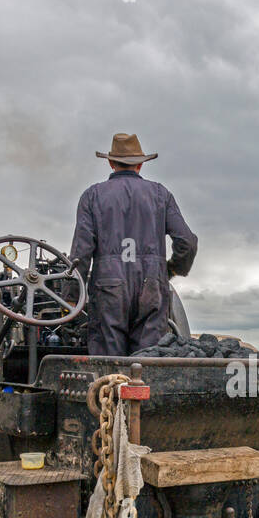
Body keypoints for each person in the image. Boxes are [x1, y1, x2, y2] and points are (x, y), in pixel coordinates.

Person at [69, 133, 198, 357]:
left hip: (108, 288)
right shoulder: (161, 194)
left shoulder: (92, 196)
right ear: (140, 164)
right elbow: (187, 241)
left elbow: (81, 253)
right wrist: (172, 270)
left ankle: (110, 391)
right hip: (151, 285)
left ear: (110, 162)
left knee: (108, 365)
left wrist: (71, 295)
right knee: (147, 361)